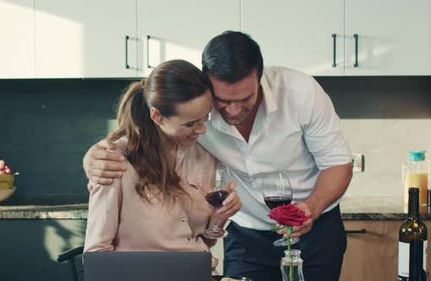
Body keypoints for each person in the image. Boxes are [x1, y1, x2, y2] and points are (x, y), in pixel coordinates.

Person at [83, 31, 353, 281]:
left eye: (245, 99)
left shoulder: (301, 92)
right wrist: (94, 157)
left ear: (260, 78)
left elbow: (337, 161)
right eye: (222, 101)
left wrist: (312, 207)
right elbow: (152, 117)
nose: (233, 111)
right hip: (246, 234)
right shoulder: (194, 109)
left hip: (313, 225)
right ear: (206, 83)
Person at [83, 59, 241, 255]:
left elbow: (199, 243)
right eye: (190, 124)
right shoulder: (114, 162)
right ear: (157, 116)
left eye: (205, 117)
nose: (201, 130)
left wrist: (218, 218)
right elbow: (96, 254)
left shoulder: (204, 154)